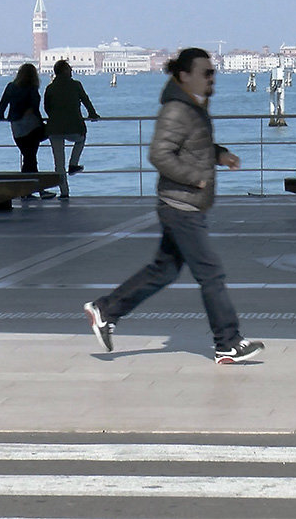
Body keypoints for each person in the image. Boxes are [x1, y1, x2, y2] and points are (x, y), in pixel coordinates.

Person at [82, 47, 264, 365]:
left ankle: (106, 310)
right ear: (185, 76)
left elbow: (194, 146)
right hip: (181, 205)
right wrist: (196, 178)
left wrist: (219, 154)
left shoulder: (193, 107)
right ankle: (227, 342)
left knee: (163, 270)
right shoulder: (177, 110)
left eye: (213, 72)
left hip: (186, 204)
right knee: (210, 273)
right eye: (206, 72)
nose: (212, 78)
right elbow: (159, 154)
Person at [0, 63, 56, 199]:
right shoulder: (32, 89)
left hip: (16, 128)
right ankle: (32, 191)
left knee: (29, 159)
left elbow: (2, 105)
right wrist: (44, 124)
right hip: (31, 127)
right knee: (30, 158)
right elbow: (35, 109)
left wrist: (1, 115)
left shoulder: (11, 87)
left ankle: (28, 191)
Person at [43, 59, 101, 199]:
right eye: (69, 68)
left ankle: (64, 192)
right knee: (81, 139)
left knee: (58, 163)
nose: (72, 71)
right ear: (65, 71)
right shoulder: (76, 85)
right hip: (74, 126)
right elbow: (86, 100)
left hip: (54, 128)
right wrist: (92, 114)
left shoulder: (50, 88)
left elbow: (47, 107)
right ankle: (74, 163)